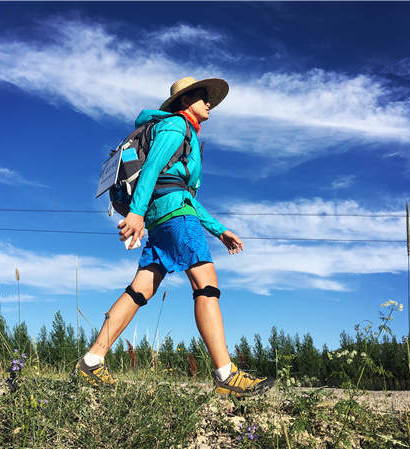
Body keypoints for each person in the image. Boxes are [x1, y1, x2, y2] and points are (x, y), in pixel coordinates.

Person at [76, 76, 273, 397]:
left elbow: (182, 191)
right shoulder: (176, 126)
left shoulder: (183, 133)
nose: (208, 103)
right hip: (175, 217)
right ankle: (226, 374)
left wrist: (218, 229)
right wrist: (136, 213)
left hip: (164, 218)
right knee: (206, 285)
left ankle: (92, 361)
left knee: (140, 290)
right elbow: (152, 169)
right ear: (185, 102)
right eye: (201, 96)